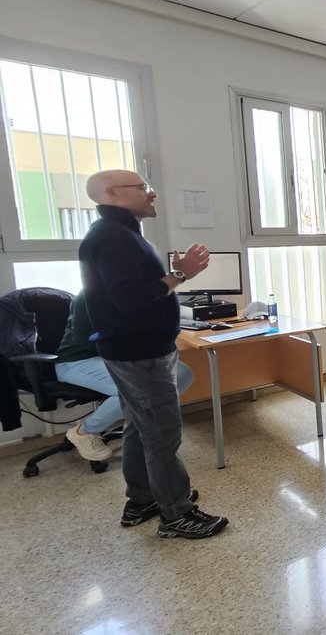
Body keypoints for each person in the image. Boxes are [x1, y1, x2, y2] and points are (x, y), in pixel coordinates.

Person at [78, 169, 226, 539]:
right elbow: (131, 299)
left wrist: (174, 275)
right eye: (142, 187)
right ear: (112, 194)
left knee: (138, 428)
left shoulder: (121, 233)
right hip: (139, 353)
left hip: (135, 349)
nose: (152, 193)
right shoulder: (113, 237)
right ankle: (176, 514)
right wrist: (181, 274)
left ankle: (142, 499)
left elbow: (134, 291)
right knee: (161, 433)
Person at [57, 290, 195, 462]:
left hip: (121, 355)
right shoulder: (89, 296)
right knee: (131, 390)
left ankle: (147, 422)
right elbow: (83, 339)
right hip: (78, 360)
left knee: (182, 374)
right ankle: (84, 431)